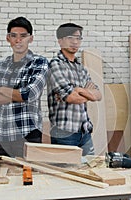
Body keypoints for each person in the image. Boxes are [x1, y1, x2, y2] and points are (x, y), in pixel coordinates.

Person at [0, 17, 48, 157]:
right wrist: (17, 94)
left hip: (27, 133)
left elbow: (30, 95)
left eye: (23, 36)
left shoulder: (39, 63)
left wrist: (2, 90)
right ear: (8, 38)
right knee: (1, 176)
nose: (18, 40)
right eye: (14, 36)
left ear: (30, 39)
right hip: (0, 134)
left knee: (28, 177)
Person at [47, 23, 102, 156]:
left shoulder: (81, 68)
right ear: (60, 41)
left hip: (84, 131)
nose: (75, 42)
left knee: (90, 169)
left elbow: (98, 95)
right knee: (67, 173)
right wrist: (86, 94)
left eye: (78, 38)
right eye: (70, 38)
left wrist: (78, 89)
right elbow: (72, 98)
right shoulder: (55, 64)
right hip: (64, 133)